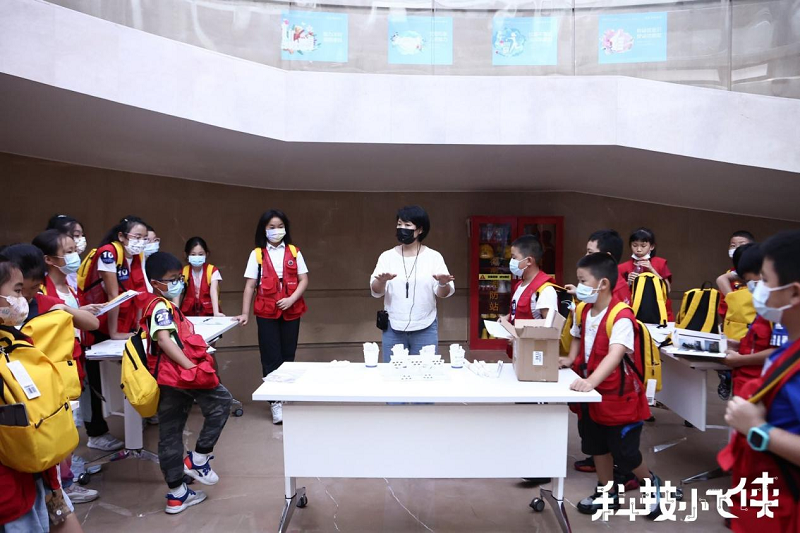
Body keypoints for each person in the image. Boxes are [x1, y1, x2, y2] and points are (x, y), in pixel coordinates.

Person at [559, 253, 664, 516]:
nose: (579, 286)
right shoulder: (583, 310)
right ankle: (607, 492)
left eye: (583, 280)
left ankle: (651, 484)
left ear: (603, 283)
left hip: (618, 397)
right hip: (590, 396)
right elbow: (576, 334)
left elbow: (615, 354)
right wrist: (570, 359)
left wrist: (591, 381)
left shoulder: (621, 316)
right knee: (597, 447)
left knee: (625, 453)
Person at [718, 229, 800, 531]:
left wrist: (758, 430)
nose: (757, 290)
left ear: (793, 293)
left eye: (764, 280)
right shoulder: (786, 352)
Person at [141, 252, 233, 514]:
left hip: (166, 378)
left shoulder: (157, 303)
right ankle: (199, 459)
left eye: (178, 278)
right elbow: (164, 340)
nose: (177, 283)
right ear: (155, 283)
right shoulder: (160, 307)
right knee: (222, 401)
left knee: (170, 431)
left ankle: (177, 494)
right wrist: (190, 366)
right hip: (180, 374)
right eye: (171, 279)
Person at [0, 257, 85, 533]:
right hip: (10, 492)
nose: (23, 298)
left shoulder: (15, 340)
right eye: (16, 290)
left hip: (42, 477)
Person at [32, 231, 104, 505]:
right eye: (68, 251)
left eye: (75, 249)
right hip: (54, 366)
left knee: (71, 424)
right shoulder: (41, 292)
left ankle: (67, 475)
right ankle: (63, 485)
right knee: (61, 424)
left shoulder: (68, 286)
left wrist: (84, 309)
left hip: (74, 360)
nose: (76, 256)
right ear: (48, 259)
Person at [77, 216, 150, 452]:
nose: (140, 242)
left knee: (134, 366)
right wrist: (114, 332)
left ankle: (142, 412)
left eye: (144, 238)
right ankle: (96, 432)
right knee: (93, 379)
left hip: (120, 324)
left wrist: (137, 326)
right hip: (96, 325)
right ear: (121, 236)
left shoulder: (136, 257)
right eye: (136, 237)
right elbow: (113, 296)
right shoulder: (109, 254)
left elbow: (139, 294)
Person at [238, 210, 308, 425]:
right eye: (271, 227)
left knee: (288, 354)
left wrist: (291, 299)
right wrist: (245, 313)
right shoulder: (257, 254)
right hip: (266, 312)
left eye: (280, 226)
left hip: (291, 310)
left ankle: (286, 396)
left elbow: (304, 280)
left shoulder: (294, 252)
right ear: (264, 230)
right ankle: (275, 401)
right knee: (271, 356)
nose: (276, 230)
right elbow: (250, 285)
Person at [370, 206, 455, 362]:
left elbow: (443, 293)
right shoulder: (387, 257)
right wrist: (381, 281)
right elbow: (376, 291)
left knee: (425, 371)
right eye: (399, 224)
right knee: (393, 371)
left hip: (425, 327)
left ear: (420, 229)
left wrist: (443, 283)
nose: (402, 228)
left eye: (407, 225)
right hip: (393, 327)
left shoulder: (433, 257)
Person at [722, 243, 782, 397]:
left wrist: (741, 360)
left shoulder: (780, 309)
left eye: (749, 280)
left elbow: (779, 352)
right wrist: (739, 345)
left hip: (761, 389)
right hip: (744, 386)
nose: (749, 287)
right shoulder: (765, 307)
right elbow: (761, 343)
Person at [618, 228, 673, 321]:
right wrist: (628, 283)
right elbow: (617, 294)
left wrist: (652, 269)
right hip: (632, 313)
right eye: (635, 245)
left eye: (643, 246)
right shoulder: (622, 267)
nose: (638, 249)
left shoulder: (660, 263)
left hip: (659, 313)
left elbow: (667, 290)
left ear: (651, 247)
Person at [503, 235, 557, 323]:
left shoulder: (545, 290)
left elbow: (551, 327)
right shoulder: (519, 285)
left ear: (529, 261)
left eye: (514, 257)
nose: (511, 262)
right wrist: (507, 318)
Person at [180, 237, 223, 317]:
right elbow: (177, 293)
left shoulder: (212, 270)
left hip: (209, 313)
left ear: (206, 254)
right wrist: (175, 312)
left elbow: (213, 291)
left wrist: (216, 312)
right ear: (186, 255)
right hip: (189, 314)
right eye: (193, 254)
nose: (197, 257)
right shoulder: (184, 271)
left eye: (200, 254)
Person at [46, 215, 87, 291]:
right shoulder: (42, 284)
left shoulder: (73, 272)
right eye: (77, 235)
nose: (81, 240)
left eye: (82, 235)